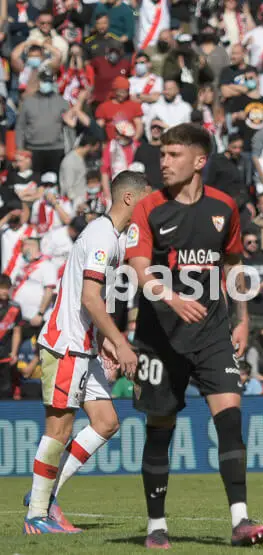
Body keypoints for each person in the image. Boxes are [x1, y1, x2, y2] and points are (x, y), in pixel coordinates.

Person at [124, 124, 263, 547]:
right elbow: (138, 269)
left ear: (199, 161)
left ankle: (240, 521)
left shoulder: (225, 207)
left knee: (230, 418)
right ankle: (156, 526)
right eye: (162, 154)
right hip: (159, 336)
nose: (164, 162)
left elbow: (233, 265)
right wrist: (172, 298)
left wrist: (242, 319)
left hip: (212, 333)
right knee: (160, 427)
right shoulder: (149, 208)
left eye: (173, 155)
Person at [23, 171, 149, 535]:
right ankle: (36, 514)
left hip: (85, 346)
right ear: (129, 198)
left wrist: (105, 341)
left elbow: (88, 297)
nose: (151, 208)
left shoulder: (111, 238)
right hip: (68, 345)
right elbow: (90, 298)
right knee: (58, 430)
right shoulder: (102, 237)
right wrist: (120, 343)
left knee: (106, 422)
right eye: (147, 200)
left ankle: (44, 495)